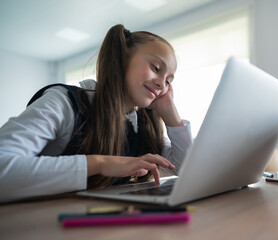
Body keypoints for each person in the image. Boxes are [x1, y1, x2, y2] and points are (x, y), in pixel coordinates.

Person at [0, 24, 193, 203]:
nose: (162, 84)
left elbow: (189, 172)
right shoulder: (63, 102)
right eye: (156, 68)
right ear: (122, 58)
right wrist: (100, 163)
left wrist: (170, 113)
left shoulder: (143, 124)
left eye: (169, 81)